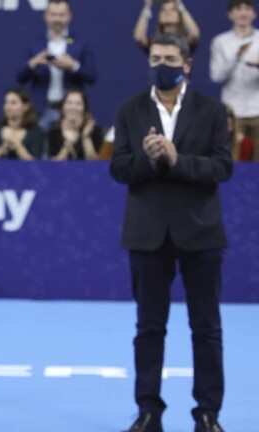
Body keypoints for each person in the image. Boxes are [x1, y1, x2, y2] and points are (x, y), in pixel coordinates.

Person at [110, 33, 232, 432]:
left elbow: (221, 168)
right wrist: (147, 158)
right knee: (148, 328)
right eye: (156, 57)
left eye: (169, 57)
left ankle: (208, 414)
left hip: (201, 233)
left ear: (187, 63)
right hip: (147, 235)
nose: (162, 63)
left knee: (207, 328)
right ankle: (148, 412)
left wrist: (179, 160)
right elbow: (120, 170)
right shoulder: (130, 110)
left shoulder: (212, 110)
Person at [16, 0, 97, 129]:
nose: (57, 19)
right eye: (53, 14)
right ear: (46, 16)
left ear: (69, 16)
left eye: (61, 15)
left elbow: (92, 77)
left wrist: (74, 66)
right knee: (41, 149)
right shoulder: (34, 44)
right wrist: (33, 63)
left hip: (71, 111)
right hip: (41, 109)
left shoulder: (81, 43)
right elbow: (19, 77)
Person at [209, 0, 259, 148]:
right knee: (234, 163)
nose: (243, 13)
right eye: (238, 9)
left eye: (247, 9)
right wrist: (235, 58)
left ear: (254, 14)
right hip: (232, 113)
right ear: (230, 14)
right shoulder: (220, 42)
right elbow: (216, 77)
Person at [133, 0, 202, 53]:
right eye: (163, 10)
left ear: (180, 15)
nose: (168, 12)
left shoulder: (184, 43)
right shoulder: (155, 43)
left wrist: (179, 3)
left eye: (173, 10)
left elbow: (195, 35)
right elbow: (139, 37)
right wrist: (147, 5)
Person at [0, 88, 45, 160]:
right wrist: (2, 149)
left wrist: (17, 145)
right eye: (6, 102)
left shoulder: (36, 132)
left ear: (26, 107)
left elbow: (36, 165)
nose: (7, 107)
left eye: (13, 103)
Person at [47, 88, 104, 160]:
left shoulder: (94, 131)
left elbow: (96, 165)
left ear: (84, 108)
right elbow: (51, 167)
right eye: (69, 103)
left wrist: (86, 137)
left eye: (78, 104)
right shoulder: (53, 132)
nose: (73, 107)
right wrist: (67, 145)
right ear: (62, 107)